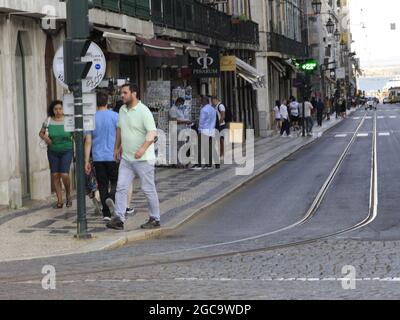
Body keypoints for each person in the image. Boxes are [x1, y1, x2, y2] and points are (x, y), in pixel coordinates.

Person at [106, 84, 161, 231]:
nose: (121, 95)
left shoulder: (144, 111)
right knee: (121, 187)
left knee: (148, 189)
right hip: (127, 158)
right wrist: (116, 148)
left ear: (134, 93)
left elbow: (152, 132)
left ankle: (155, 218)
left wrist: (142, 149)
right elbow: (119, 129)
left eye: (125, 92)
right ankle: (119, 219)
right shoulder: (122, 110)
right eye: (121, 93)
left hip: (144, 159)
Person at [84, 91, 119, 222]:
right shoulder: (116, 116)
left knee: (102, 184)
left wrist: (86, 161)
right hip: (113, 155)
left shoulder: (91, 118)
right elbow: (121, 136)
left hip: (98, 157)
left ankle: (106, 213)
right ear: (107, 101)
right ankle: (111, 197)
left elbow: (88, 141)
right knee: (115, 181)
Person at [39, 100, 74, 209]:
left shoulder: (69, 120)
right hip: (52, 151)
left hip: (67, 150)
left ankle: (68, 194)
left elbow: (76, 134)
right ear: (52, 110)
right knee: (55, 175)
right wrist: (45, 137)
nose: (58, 111)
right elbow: (41, 132)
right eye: (56, 109)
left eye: (60, 108)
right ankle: (59, 200)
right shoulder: (48, 120)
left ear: (64, 109)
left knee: (64, 174)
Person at [193, 96, 219, 169]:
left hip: (204, 131)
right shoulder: (213, 109)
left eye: (201, 100)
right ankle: (213, 164)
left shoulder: (203, 109)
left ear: (205, 101)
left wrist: (199, 130)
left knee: (200, 148)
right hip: (211, 130)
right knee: (211, 148)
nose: (200, 102)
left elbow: (201, 122)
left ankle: (199, 164)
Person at [169, 97, 193, 167]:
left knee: (182, 146)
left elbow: (180, 119)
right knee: (178, 147)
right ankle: (178, 163)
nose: (182, 105)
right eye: (181, 103)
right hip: (177, 130)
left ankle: (182, 161)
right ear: (178, 102)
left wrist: (186, 122)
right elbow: (174, 121)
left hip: (182, 130)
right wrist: (186, 121)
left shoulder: (178, 109)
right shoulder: (173, 109)